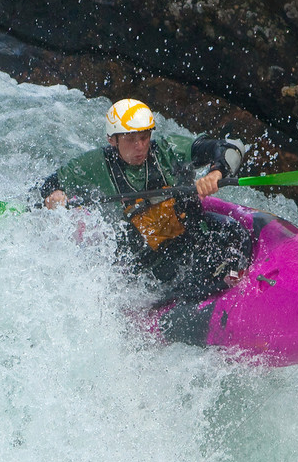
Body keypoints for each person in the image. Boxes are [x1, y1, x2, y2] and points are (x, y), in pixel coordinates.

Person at [38, 99, 252, 340]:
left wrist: (216, 171)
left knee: (235, 234)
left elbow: (230, 148)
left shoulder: (168, 149)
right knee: (188, 283)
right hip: (149, 264)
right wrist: (52, 195)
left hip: (192, 238)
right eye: (130, 139)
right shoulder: (93, 166)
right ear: (112, 140)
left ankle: (234, 287)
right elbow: (46, 186)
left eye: (144, 137)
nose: (140, 146)